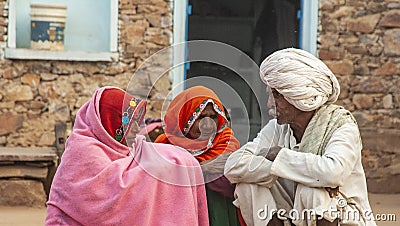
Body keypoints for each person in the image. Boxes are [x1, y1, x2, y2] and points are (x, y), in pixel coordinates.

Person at [224, 48, 376, 226]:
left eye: (276, 96)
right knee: (247, 186)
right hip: (294, 214)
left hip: (345, 216)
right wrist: (278, 166)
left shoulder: (341, 126)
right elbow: (233, 165)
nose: (269, 104)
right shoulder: (277, 128)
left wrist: (280, 157)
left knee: (311, 191)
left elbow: (334, 172)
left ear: (297, 96)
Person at [45, 86, 209, 225]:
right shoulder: (83, 152)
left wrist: (178, 158)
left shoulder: (127, 144)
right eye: (130, 123)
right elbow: (106, 194)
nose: (138, 129)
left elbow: (152, 154)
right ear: (110, 124)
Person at [155, 85, 242, 226]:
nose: (207, 126)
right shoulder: (164, 145)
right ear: (184, 118)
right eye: (200, 117)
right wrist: (203, 169)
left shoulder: (226, 142)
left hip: (218, 212)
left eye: (213, 117)